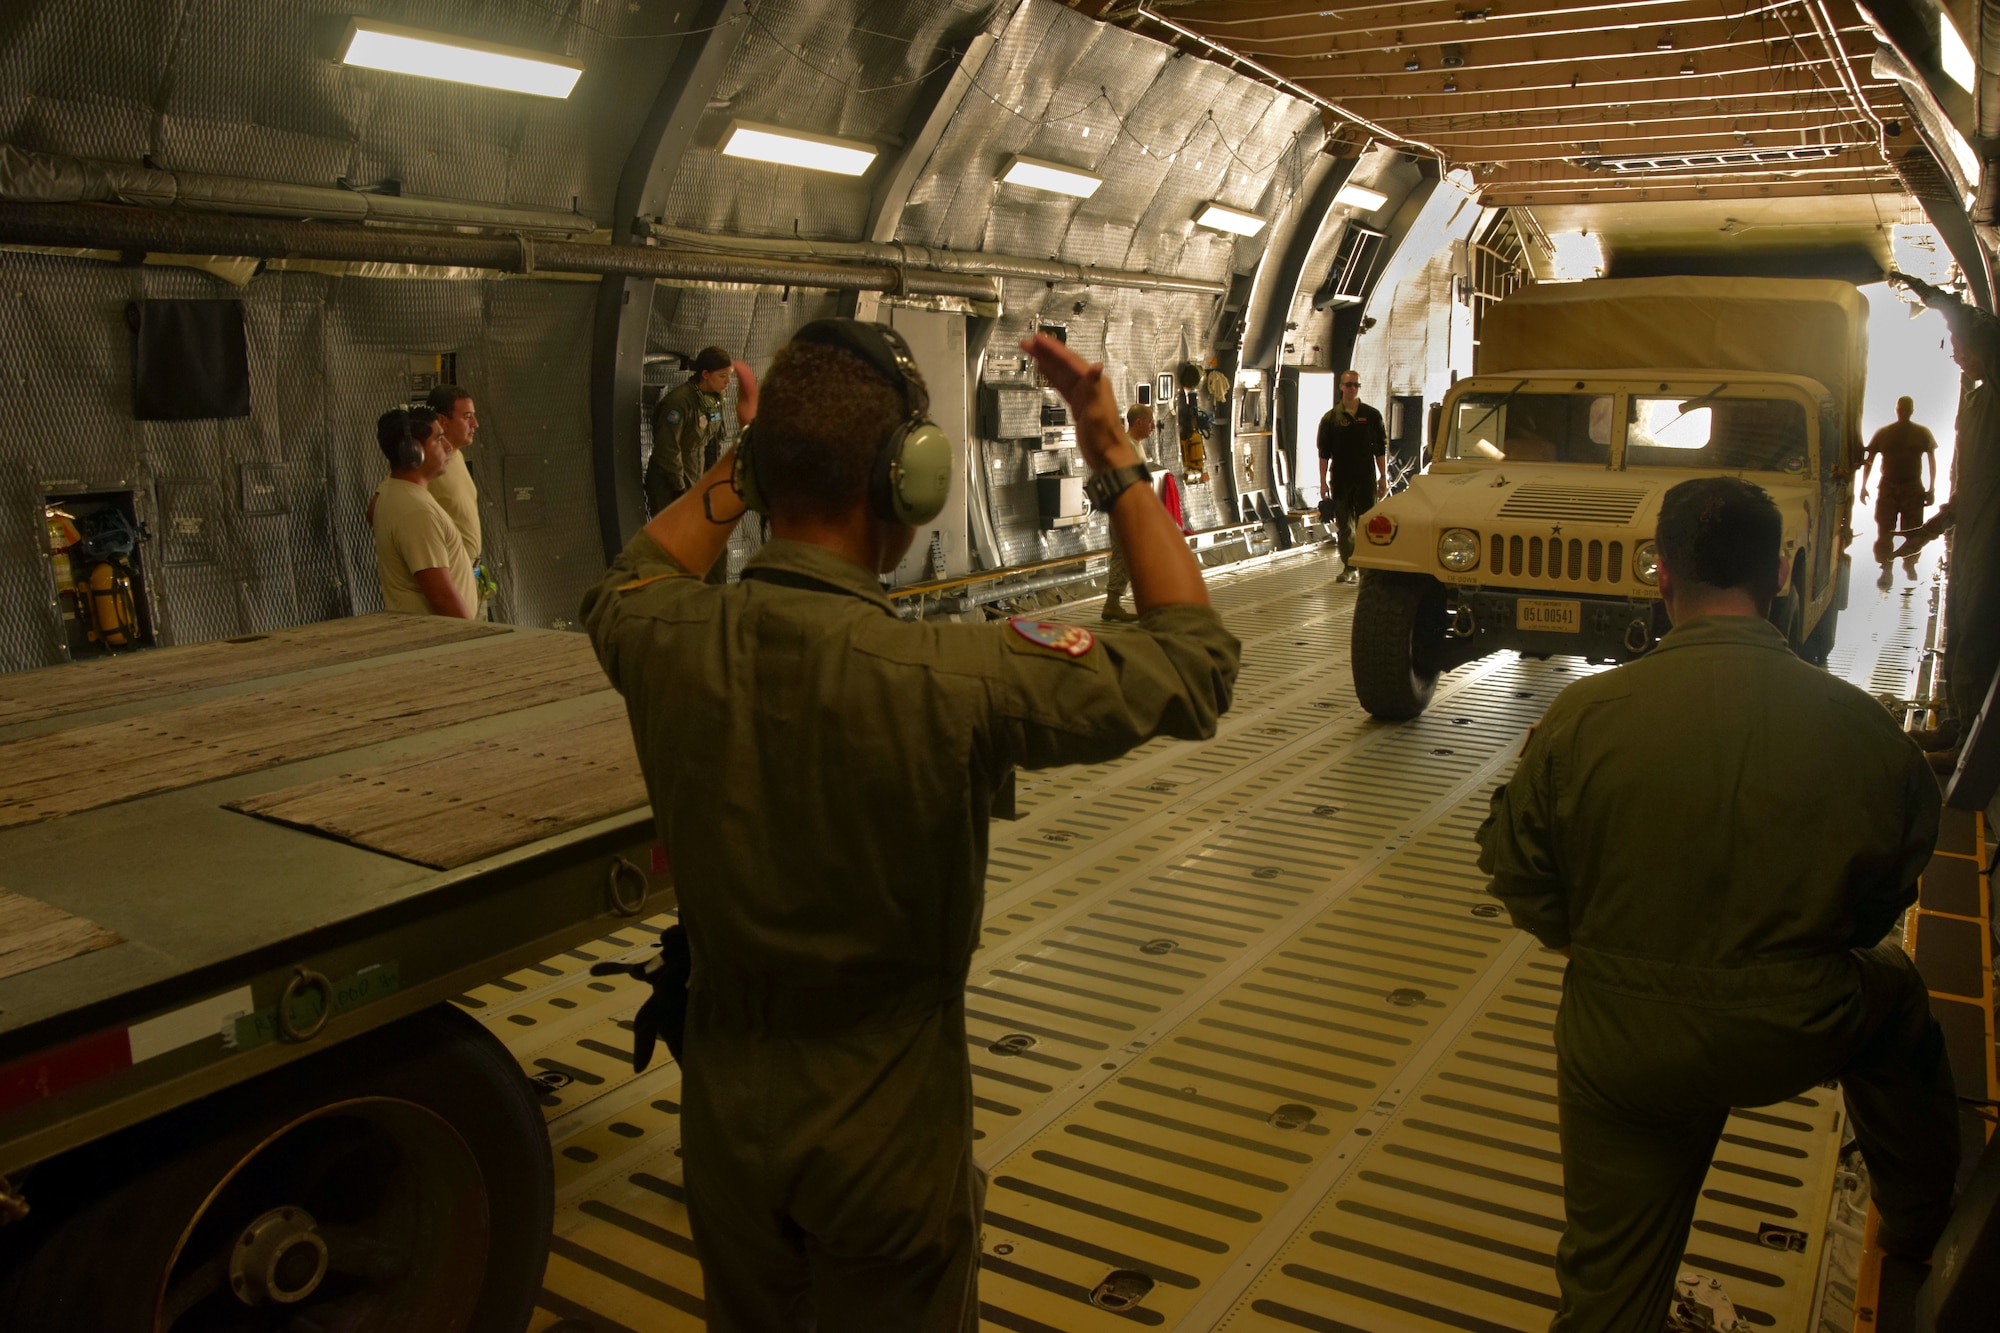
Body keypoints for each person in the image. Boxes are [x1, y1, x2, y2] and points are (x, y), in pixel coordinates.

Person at [580, 320, 1239, 1331]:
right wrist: (1108, 444)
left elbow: (631, 573)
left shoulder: (656, 633)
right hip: (883, 1125)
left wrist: (741, 465)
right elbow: (1193, 667)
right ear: (907, 486)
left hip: (721, 1114)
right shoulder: (954, 677)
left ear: (758, 472)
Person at [1477, 476, 1959, 1332]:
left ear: (1661, 576)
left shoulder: (1581, 719)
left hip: (1622, 1043)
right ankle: (1924, 1223)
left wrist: (1611, 943)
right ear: (1779, 573)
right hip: (1794, 1025)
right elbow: (1893, 883)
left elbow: (1520, 876)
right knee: (1895, 996)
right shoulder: (1862, 728)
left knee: (1608, 1278)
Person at [371, 406, 475, 619]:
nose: (447, 447)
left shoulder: (400, 493)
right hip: (445, 643)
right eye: (438, 439)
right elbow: (441, 599)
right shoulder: (416, 511)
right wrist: (475, 640)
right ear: (413, 451)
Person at [648, 347, 734, 585]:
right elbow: (667, 451)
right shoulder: (679, 403)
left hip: (696, 482)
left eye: (730, 376)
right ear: (705, 374)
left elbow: (712, 444)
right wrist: (680, 489)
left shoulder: (713, 401)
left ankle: (716, 600)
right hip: (671, 484)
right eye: (722, 376)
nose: (728, 382)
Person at [1859, 396, 1938, 588]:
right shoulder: (1884, 433)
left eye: (1907, 409)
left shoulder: (1921, 433)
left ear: (1911, 411)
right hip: (1888, 487)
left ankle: (1910, 564)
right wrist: (1863, 486)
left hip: (1912, 488)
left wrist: (1931, 488)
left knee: (1913, 530)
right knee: (1885, 529)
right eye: (1901, 408)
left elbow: (1931, 460)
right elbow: (1869, 460)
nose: (1903, 412)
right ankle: (1886, 565)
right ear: (1896, 409)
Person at [1317, 369, 1388, 581]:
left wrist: (1383, 476)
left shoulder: (1372, 415)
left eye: (1356, 385)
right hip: (1340, 478)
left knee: (1365, 524)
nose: (1352, 389)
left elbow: (1380, 448)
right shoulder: (1331, 419)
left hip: (1365, 477)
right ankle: (1349, 567)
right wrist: (1322, 483)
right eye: (1349, 385)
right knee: (1345, 526)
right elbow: (1323, 454)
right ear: (1341, 387)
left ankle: (1367, 566)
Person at [1102, 402, 1155, 622]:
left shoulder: (1134, 445)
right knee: (1124, 557)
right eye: (1150, 423)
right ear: (1139, 422)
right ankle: (1113, 604)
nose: (1152, 428)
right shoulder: (1126, 446)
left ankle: (1116, 603)